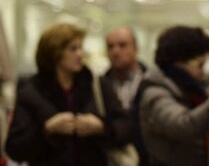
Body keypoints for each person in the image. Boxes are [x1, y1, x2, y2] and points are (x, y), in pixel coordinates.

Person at [6, 23, 131, 166]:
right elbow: (14, 148)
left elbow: (126, 127)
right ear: (55, 52)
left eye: (80, 48)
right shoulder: (31, 91)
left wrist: (102, 127)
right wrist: (47, 129)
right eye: (73, 49)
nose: (80, 54)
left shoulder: (96, 84)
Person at [138, 26, 209, 166]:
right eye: (199, 65)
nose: (202, 73)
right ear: (179, 61)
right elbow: (183, 125)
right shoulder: (154, 93)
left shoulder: (187, 90)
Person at [103, 26, 147, 165]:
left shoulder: (151, 81)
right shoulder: (98, 86)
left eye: (122, 45)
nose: (116, 51)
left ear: (135, 48)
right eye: (110, 47)